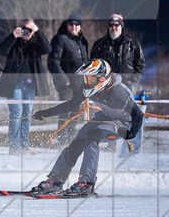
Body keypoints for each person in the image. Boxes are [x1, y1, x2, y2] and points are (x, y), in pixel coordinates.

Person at [28, 59, 143, 197]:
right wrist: (45, 113)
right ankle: (54, 182)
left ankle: (86, 184)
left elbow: (138, 114)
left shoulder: (118, 92)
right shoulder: (90, 88)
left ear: (102, 78)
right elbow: (71, 105)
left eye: (91, 79)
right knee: (78, 140)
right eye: (86, 78)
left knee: (92, 136)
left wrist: (132, 133)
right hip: (105, 116)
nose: (87, 82)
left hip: (123, 122)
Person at [91, 13, 146, 153]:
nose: (113, 28)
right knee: (109, 115)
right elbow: (92, 66)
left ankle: (131, 148)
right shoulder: (100, 45)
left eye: (116, 25)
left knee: (130, 115)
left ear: (121, 26)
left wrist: (131, 79)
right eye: (111, 25)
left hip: (125, 87)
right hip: (105, 87)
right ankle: (110, 145)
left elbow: (140, 66)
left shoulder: (132, 44)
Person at [0, 18, 50, 153]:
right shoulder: (14, 42)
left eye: (30, 29)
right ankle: (14, 147)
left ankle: (24, 146)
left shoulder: (36, 43)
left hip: (30, 85)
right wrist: (13, 36)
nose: (27, 32)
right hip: (15, 84)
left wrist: (38, 32)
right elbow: (1, 51)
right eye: (24, 28)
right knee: (16, 113)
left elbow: (47, 48)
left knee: (26, 114)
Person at [47, 13, 88, 143]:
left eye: (77, 24)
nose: (74, 27)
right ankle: (62, 141)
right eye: (71, 24)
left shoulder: (83, 41)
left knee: (75, 112)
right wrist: (64, 80)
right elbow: (53, 62)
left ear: (80, 26)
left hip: (80, 83)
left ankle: (70, 140)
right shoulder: (60, 39)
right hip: (66, 84)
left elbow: (86, 62)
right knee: (65, 112)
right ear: (67, 25)